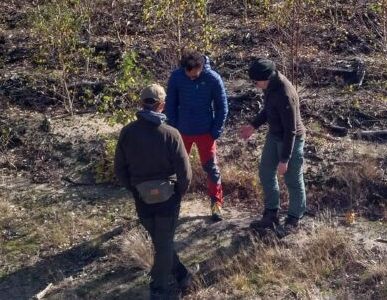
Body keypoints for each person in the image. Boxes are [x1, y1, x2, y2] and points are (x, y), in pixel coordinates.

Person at [114, 84, 194, 299]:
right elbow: (185, 172)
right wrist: (179, 193)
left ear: (141, 103)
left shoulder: (127, 132)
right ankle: (159, 288)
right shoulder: (171, 134)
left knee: (161, 242)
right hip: (168, 198)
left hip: (142, 198)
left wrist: (134, 188)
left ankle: (183, 275)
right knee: (164, 243)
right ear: (162, 105)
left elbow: (119, 169)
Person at [239, 57, 306, 234]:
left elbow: (291, 130)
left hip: (291, 139)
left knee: (293, 179)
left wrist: (284, 159)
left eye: (255, 81)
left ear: (266, 78)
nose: (254, 84)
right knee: (266, 172)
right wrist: (253, 126)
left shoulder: (285, 94)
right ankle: (271, 214)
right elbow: (269, 110)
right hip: (274, 135)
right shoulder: (270, 86)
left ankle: (294, 219)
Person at [165, 51, 228, 221]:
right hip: (181, 132)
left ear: (200, 68)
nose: (191, 78)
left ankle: (216, 205)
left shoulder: (213, 78)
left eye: (195, 75)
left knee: (211, 168)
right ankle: (171, 203)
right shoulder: (177, 77)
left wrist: (216, 131)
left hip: (206, 132)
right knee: (175, 167)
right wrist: (173, 129)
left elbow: (222, 107)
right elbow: (170, 104)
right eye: (188, 75)